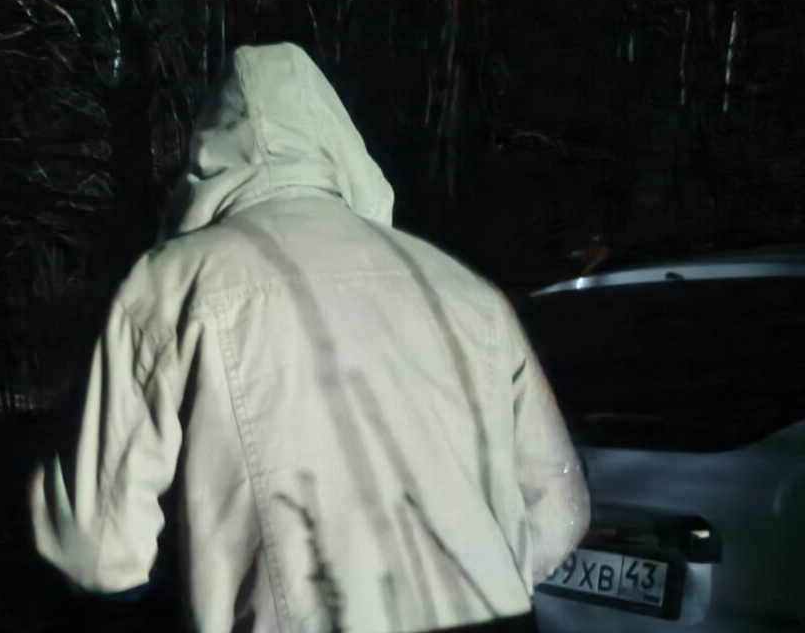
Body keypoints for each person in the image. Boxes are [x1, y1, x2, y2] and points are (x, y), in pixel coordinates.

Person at [31, 44, 589, 633]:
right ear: (338, 143)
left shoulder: (169, 287)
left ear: (208, 153)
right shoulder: (464, 290)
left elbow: (95, 551)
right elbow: (559, 513)